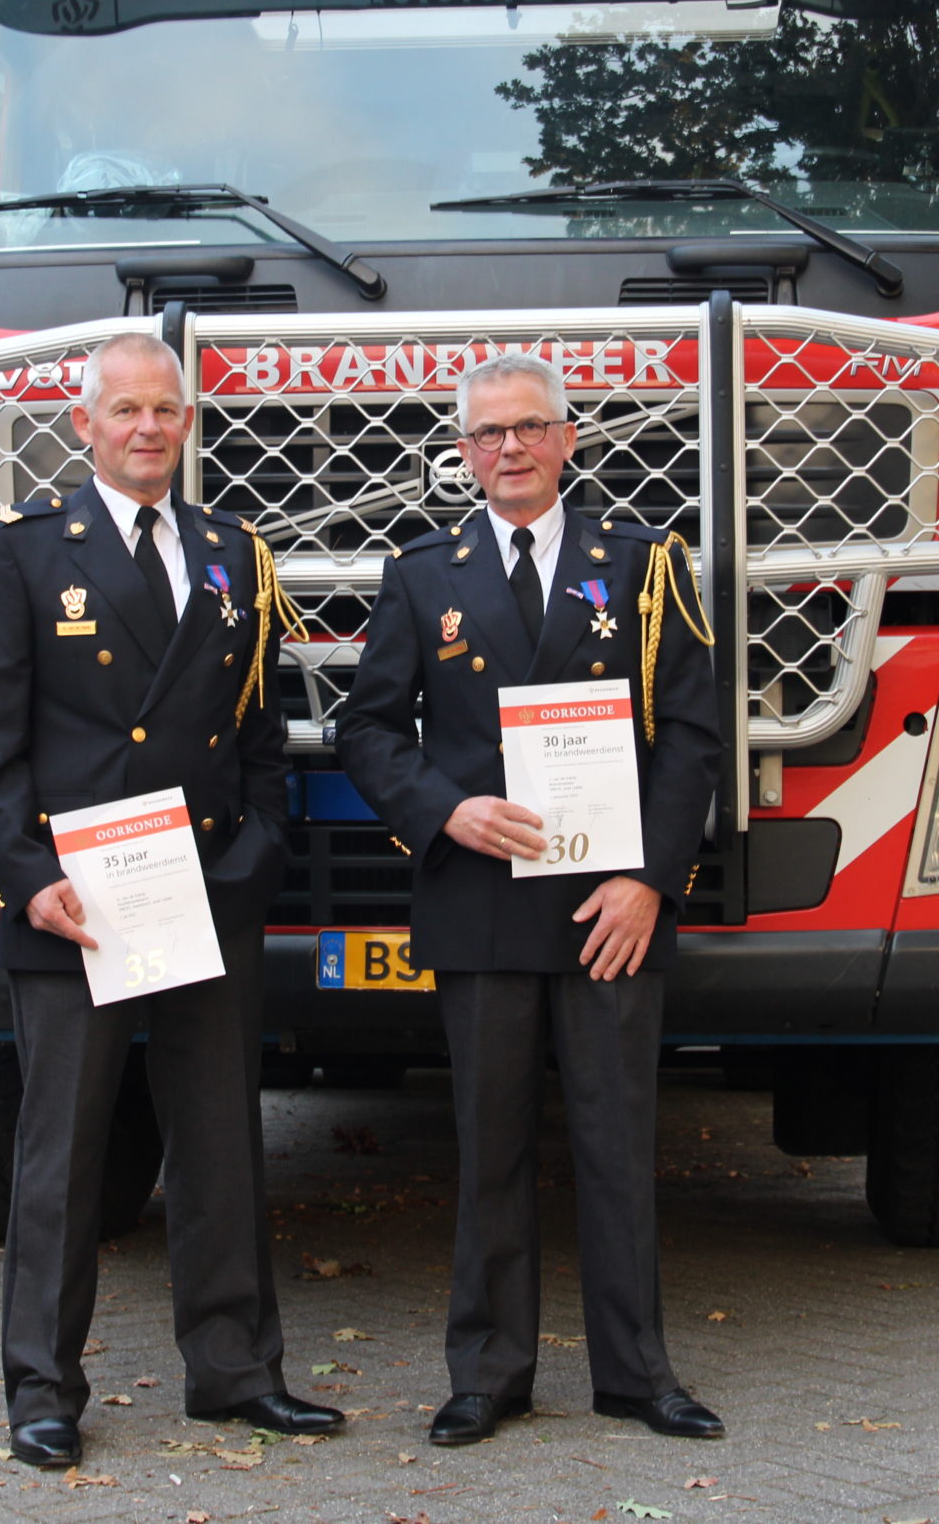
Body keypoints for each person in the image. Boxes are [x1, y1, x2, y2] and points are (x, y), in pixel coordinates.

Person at [0, 330, 343, 1468]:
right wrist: (30, 878)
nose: (146, 428)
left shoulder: (232, 553)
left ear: (186, 423)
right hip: (77, 904)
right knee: (63, 1153)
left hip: (205, 893)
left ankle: (235, 1371)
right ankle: (42, 1389)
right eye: (124, 409)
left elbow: (261, 734)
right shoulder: (23, 552)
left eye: (165, 409)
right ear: (84, 425)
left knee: (221, 1142)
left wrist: (256, 857)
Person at [337, 350, 725, 1447]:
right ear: (462, 453)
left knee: (618, 1143)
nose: (508, 448)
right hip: (483, 900)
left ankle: (636, 1375)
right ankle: (488, 1374)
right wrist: (443, 810)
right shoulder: (424, 573)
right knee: (490, 1147)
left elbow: (691, 734)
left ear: (567, 438)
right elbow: (368, 728)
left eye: (528, 428)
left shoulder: (643, 563)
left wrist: (651, 880)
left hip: (610, 906)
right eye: (486, 434)